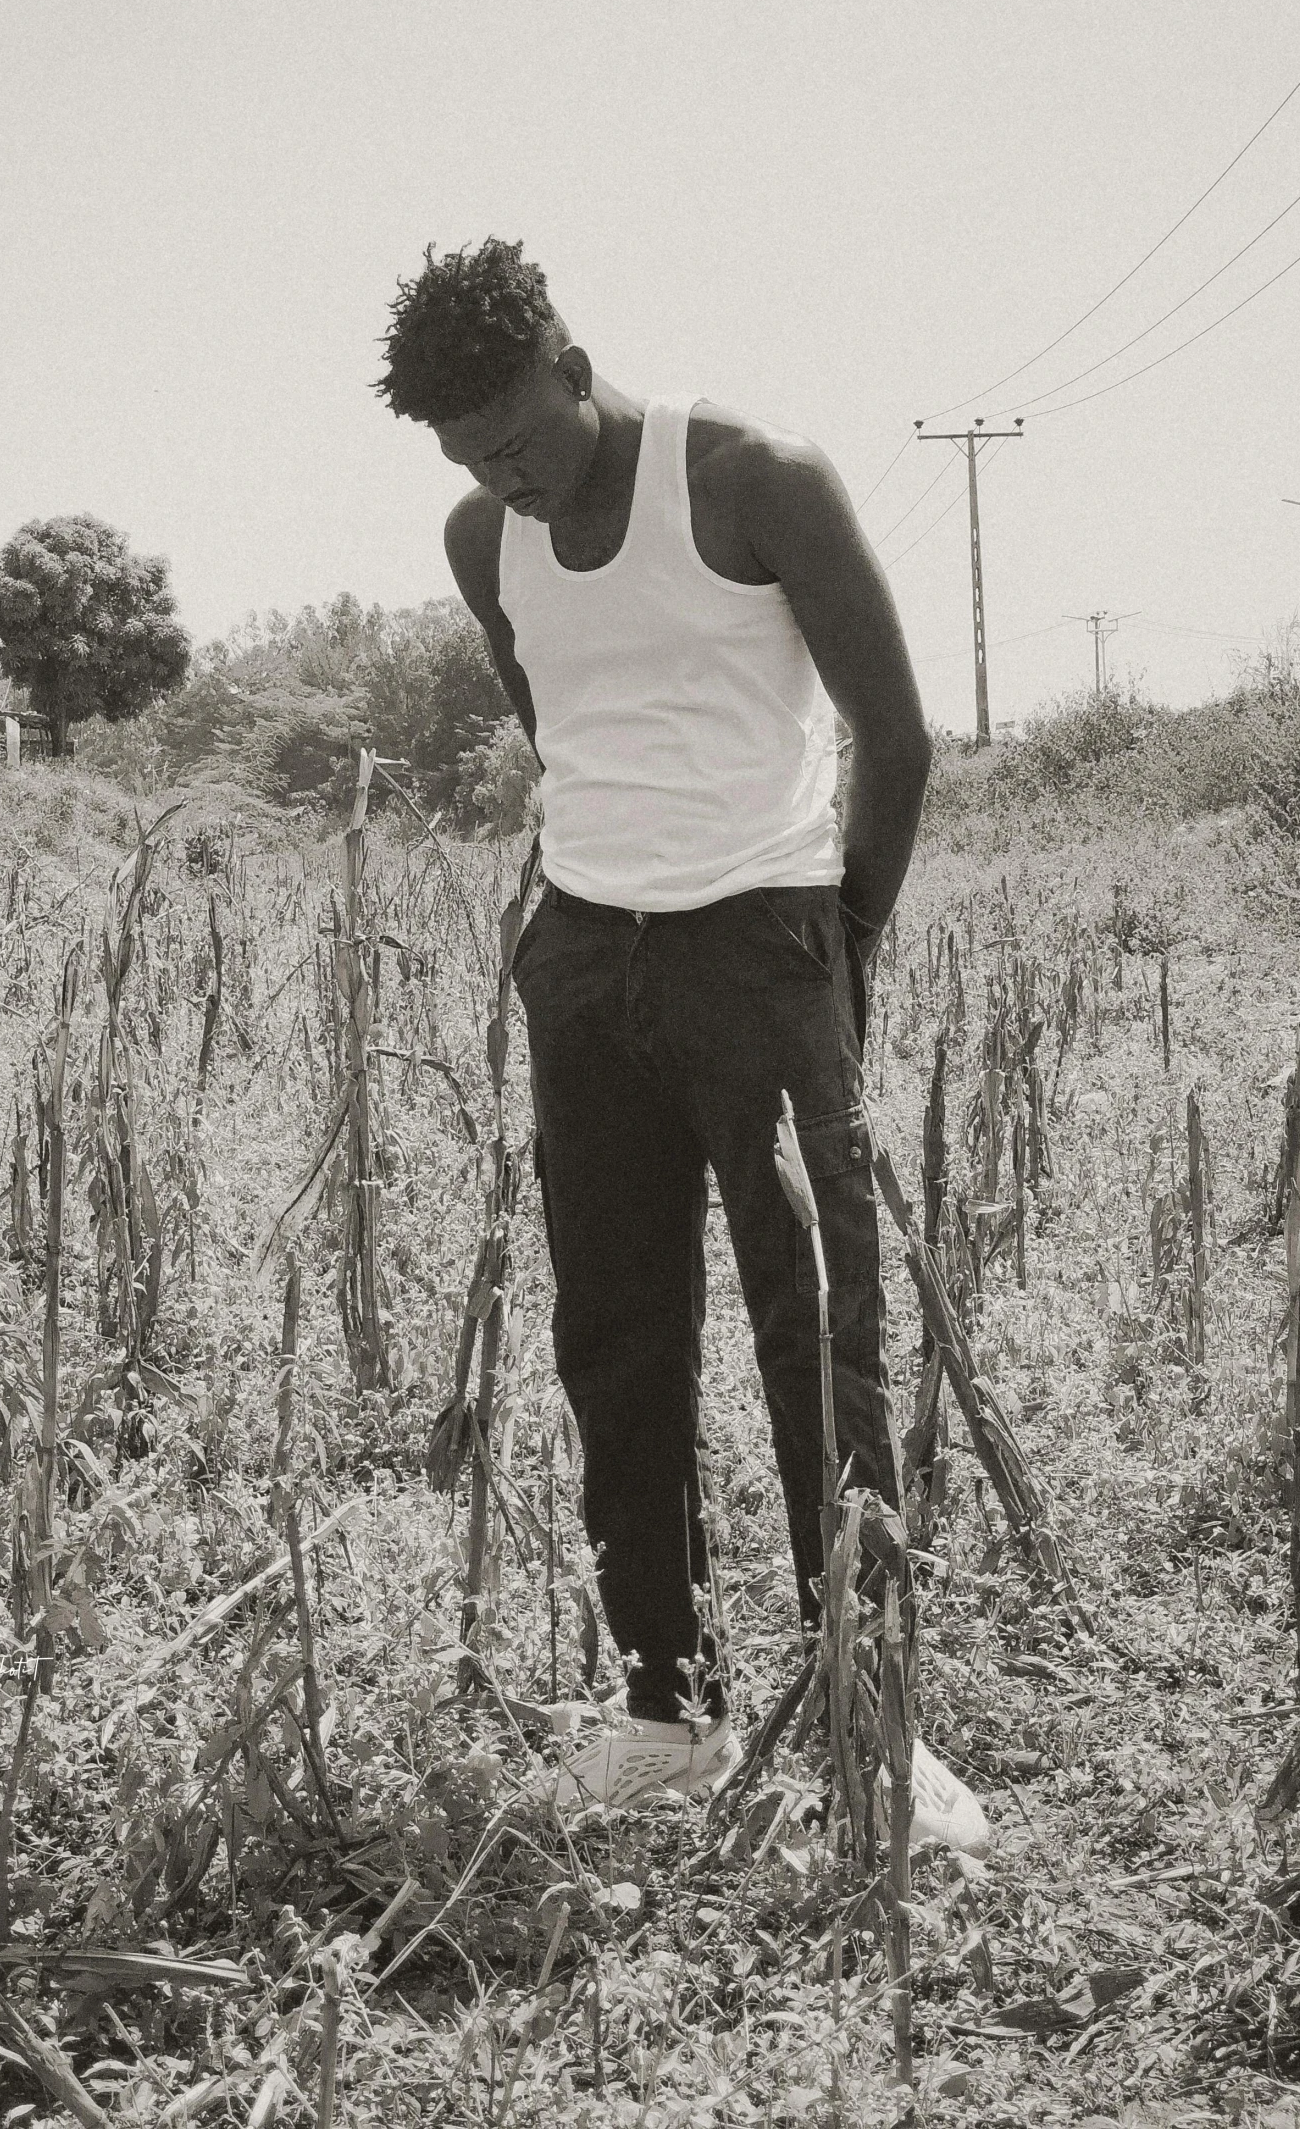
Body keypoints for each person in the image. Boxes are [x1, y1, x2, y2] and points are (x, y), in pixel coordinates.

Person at [376, 240, 986, 1848]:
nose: (502, 476)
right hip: (583, 964)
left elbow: (897, 738)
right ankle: (667, 1706)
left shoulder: (751, 478)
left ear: (569, 360)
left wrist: (836, 944)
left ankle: (872, 1726)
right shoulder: (480, 535)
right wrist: (601, 909)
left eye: (515, 436)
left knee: (819, 1335)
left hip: (760, 944)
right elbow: (556, 723)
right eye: (468, 458)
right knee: (617, 1334)